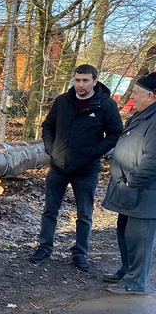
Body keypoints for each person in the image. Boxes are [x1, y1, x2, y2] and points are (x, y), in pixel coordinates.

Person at [29, 64, 123, 271]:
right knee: (50, 210)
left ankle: (80, 253)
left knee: (85, 214)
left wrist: (93, 154)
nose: (80, 85)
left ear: (95, 81)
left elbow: (116, 133)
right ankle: (44, 247)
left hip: (86, 169)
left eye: (85, 80)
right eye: (77, 80)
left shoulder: (105, 105)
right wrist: (51, 149)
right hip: (59, 166)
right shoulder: (63, 101)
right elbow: (47, 125)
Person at [101, 72, 156, 294]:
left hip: (144, 193)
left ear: (151, 95)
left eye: (135, 93)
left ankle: (135, 282)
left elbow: (152, 160)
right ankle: (127, 271)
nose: (131, 96)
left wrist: (131, 181)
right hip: (127, 190)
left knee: (139, 239)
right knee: (125, 233)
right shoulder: (140, 116)